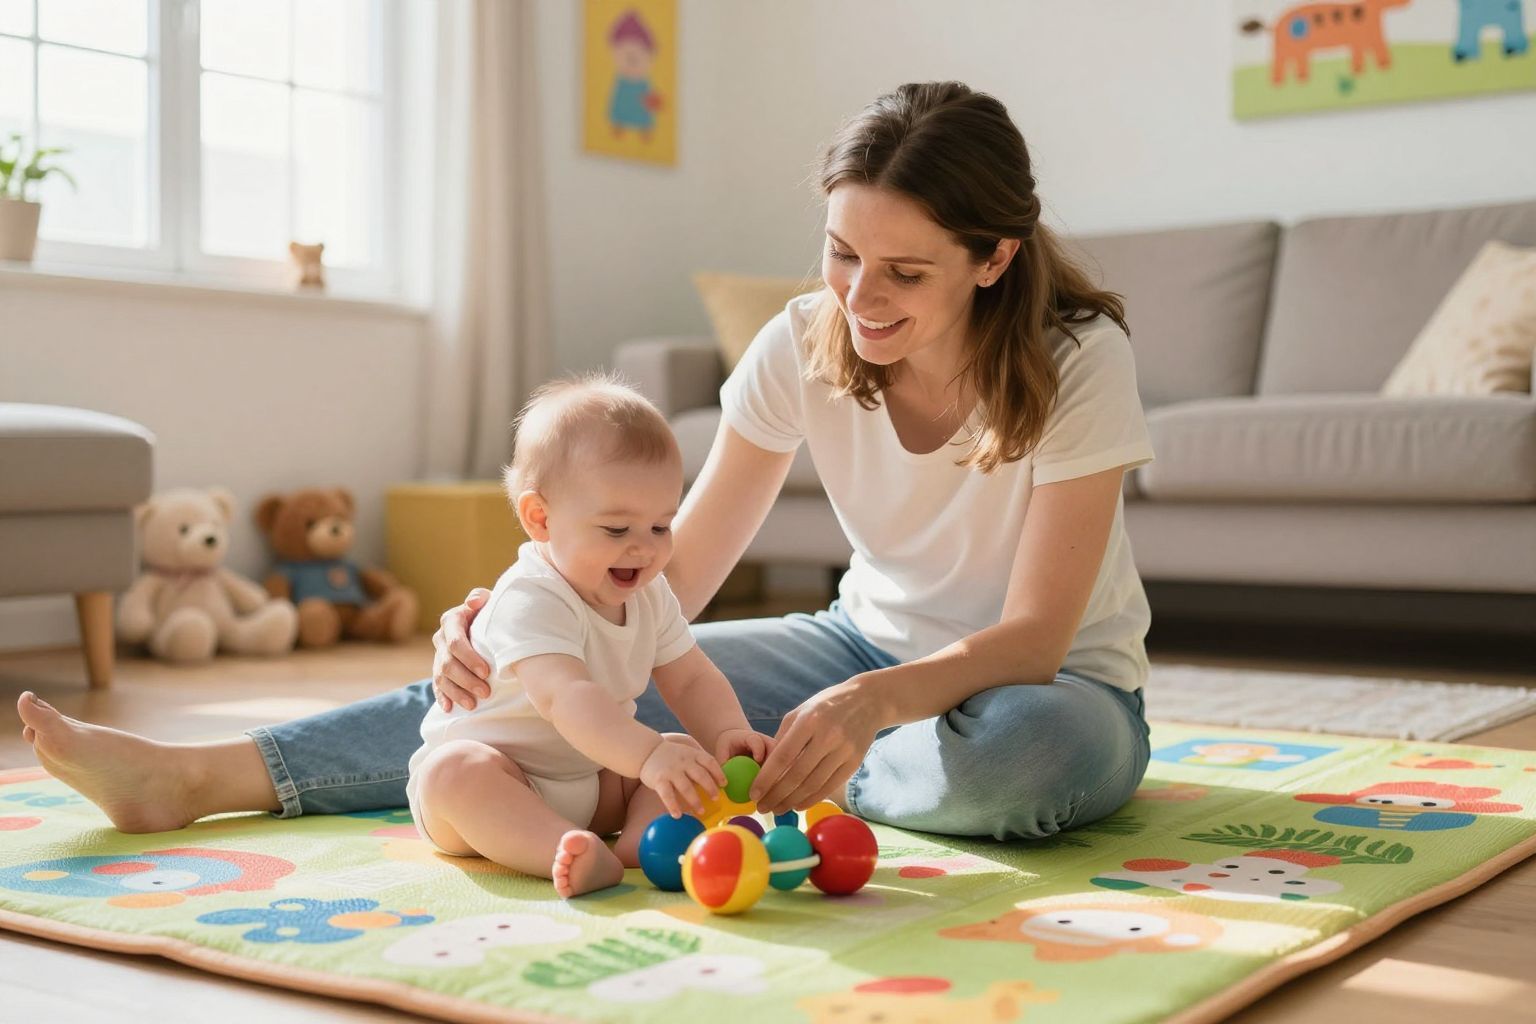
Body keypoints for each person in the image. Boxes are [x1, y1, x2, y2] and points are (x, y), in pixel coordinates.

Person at [17, 80, 1154, 843]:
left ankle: (802, 771)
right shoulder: (803, 343)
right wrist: (542, 617)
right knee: (548, 682)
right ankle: (198, 777)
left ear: (994, 258)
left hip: (1054, 689)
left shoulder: (1078, 359)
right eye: (842, 253)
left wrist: (863, 709)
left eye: (904, 272)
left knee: (1025, 761)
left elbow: (1037, 635)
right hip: (851, 649)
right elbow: (675, 576)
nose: (859, 298)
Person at [406, 375, 771, 896]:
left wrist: (726, 733)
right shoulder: (532, 597)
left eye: (661, 527)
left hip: (595, 779)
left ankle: (638, 845)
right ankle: (561, 850)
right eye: (617, 530)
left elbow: (689, 678)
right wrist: (645, 757)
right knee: (456, 773)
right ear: (541, 519)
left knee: (682, 750)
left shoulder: (649, 595)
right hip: (502, 784)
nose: (643, 550)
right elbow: (566, 697)